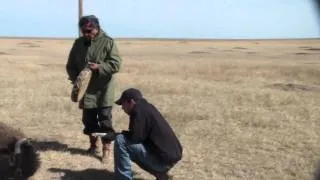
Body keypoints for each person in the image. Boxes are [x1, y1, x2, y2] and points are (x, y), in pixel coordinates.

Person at [66, 15, 122, 163]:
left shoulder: (108, 42)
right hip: (86, 91)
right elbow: (70, 65)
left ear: (96, 28)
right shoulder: (78, 44)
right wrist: (77, 81)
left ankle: (106, 149)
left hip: (104, 90)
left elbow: (116, 64)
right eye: (83, 31)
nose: (86, 34)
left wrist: (100, 67)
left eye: (89, 31)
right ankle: (93, 145)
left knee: (105, 120)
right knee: (88, 119)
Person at [113, 88, 183, 180]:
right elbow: (140, 136)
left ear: (132, 102)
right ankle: (161, 175)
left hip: (164, 161)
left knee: (121, 140)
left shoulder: (139, 112)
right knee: (127, 144)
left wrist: (117, 135)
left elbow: (135, 138)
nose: (122, 107)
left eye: (123, 103)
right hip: (171, 158)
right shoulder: (146, 107)